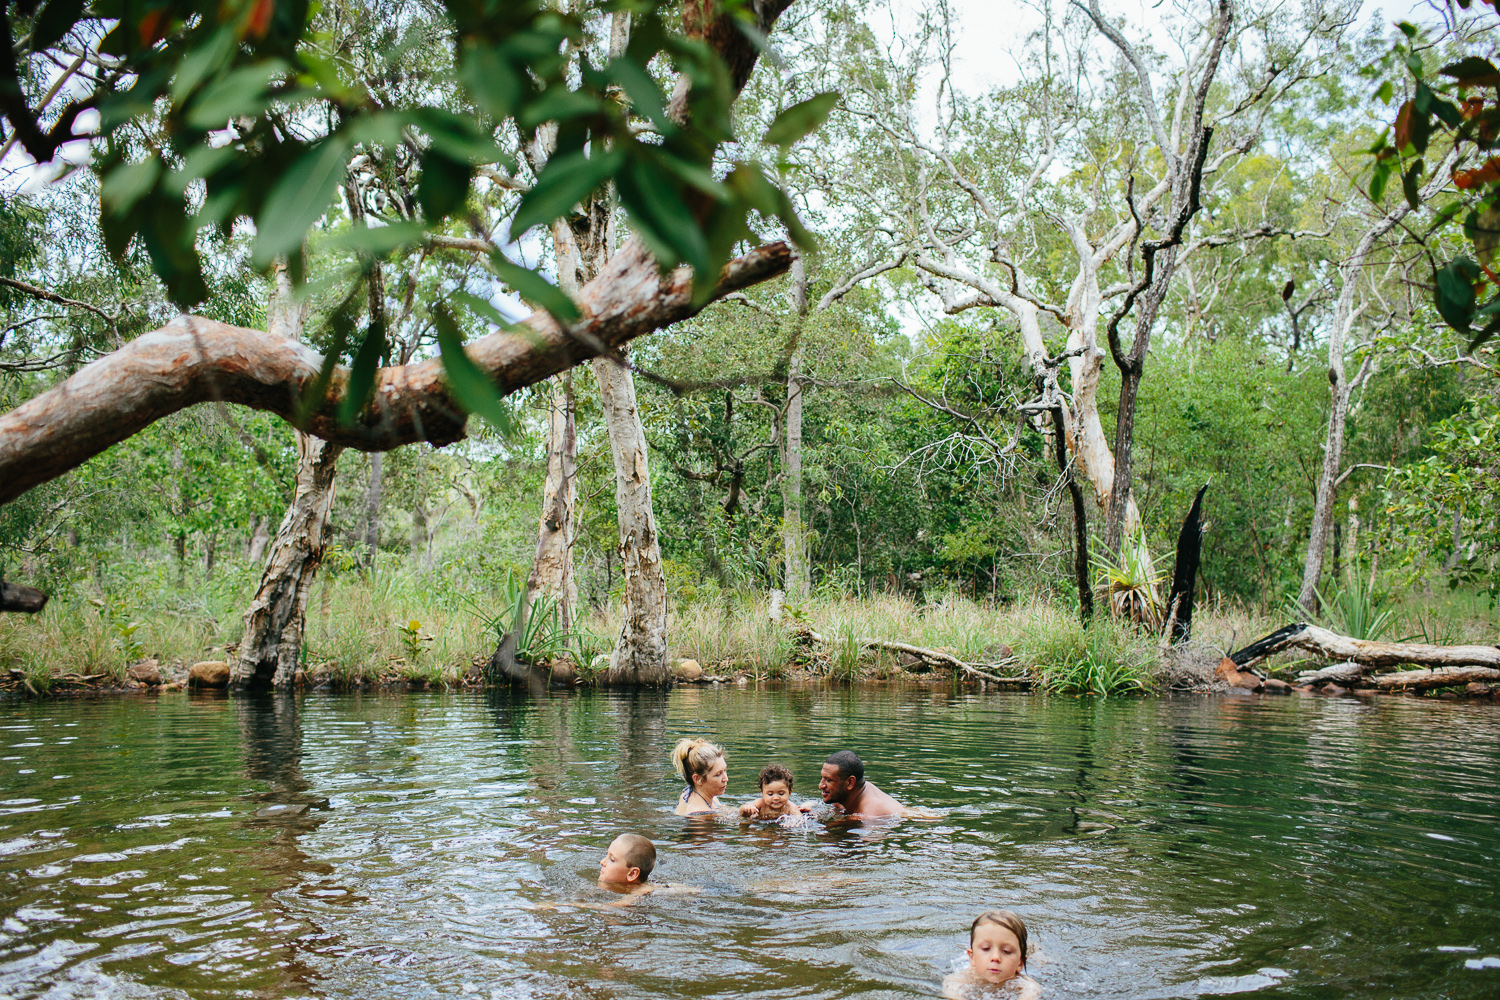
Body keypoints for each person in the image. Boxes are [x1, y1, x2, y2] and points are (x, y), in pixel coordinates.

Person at [942, 910, 1040, 999]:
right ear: (972, 957)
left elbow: (1032, 992)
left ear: (1020, 963)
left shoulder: (1023, 984)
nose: (995, 957)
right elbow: (950, 987)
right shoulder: (965, 977)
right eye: (986, 949)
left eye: (1006, 951)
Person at [818, 749, 904, 819]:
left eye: (828, 780)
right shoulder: (843, 795)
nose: (821, 785)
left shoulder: (872, 810)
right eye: (822, 778)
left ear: (850, 783)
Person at [671, 737, 728, 815]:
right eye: (718, 774)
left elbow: (723, 809)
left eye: (725, 770)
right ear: (697, 779)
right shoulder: (700, 814)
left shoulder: (693, 794)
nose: (726, 779)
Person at [738, 763, 812, 821]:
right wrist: (747, 808)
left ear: (789, 793)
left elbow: (799, 820)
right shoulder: (761, 804)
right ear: (762, 793)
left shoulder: (789, 807)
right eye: (770, 794)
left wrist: (798, 818)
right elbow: (741, 810)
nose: (776, 798)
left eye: (781, 794)